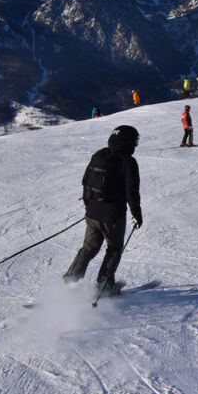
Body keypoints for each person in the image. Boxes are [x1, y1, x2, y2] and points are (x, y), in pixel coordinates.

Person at [64, 125, 143, 294]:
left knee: (88, 248)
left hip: (92, 212)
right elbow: (131, 192)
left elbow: (86, 181)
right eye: (134, 141)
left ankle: (72, 280)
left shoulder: (99, 155)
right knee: (114, 248)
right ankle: (105, 285)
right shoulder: (127, 161)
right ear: (126, 141)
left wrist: (89, 206)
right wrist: (137, 215)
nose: (135, 145)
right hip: (113, 216)